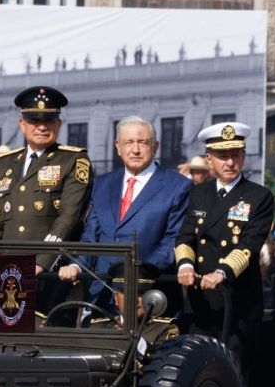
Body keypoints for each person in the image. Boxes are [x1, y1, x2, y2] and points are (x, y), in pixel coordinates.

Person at [58, 115, 191, 312]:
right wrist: (77, 266)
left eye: (143, 142)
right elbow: (91, 237)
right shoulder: (102, 184)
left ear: (155, 146)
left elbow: (173, 241)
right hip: (101, 295)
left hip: (149, 295)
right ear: (118, 147)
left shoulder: (177, 186)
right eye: (128, 142)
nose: (135, 149)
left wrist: (136, 273)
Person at [174, 122, 274, 360]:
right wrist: (186, 265)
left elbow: (250, 244)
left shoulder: (258, 196)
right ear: (209, 159)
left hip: (237, 302)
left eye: (235, 155)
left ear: (243, 156)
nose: (230, 162)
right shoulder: (198, 193)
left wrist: (222, 272)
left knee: (234, 378)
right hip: (201, 303)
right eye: (222, 156)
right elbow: (186, 235)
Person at [0, 85, 92, 261]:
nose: (42, 127)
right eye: (34, 120)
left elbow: (69, 217)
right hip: (5, 267)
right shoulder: (4, 163)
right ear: (22, 125)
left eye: (48, 120)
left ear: (58, 124)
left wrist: (42, 262)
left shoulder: (73, 160)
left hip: (49, 270)